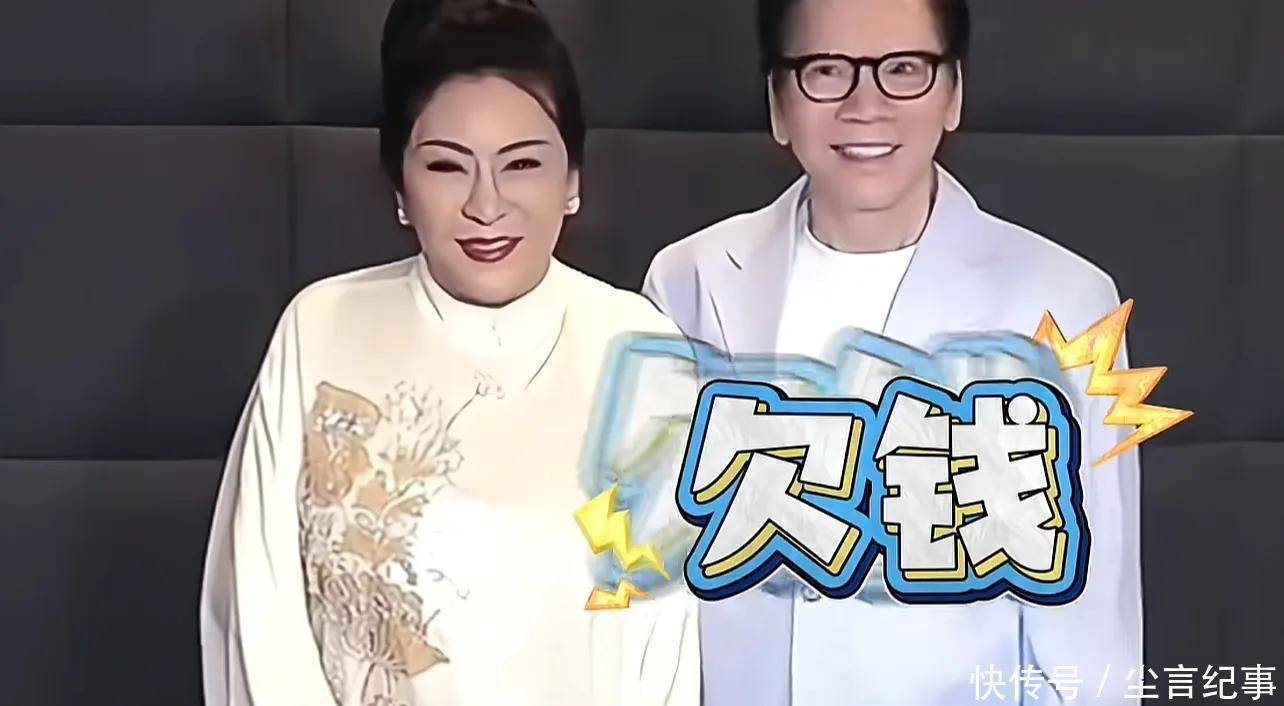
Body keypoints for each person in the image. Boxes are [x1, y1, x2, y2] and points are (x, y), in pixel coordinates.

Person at [642, 0, 1142, 703]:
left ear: (954, 93)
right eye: (826, 71)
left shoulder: (1065, 301)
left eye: (904, 69)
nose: (866, 105)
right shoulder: (689, 281)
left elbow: (1088, 619)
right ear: (778, 104)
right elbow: (652, 573)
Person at [199, 1, 699, 704]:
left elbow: (663, 634)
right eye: (446, 166)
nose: (486, 206)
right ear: (400, 188)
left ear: (573, 180)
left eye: (521, 163)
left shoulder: (640, 347)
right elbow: (260, 605)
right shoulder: (321, 328)